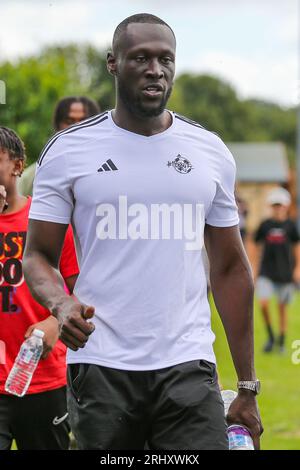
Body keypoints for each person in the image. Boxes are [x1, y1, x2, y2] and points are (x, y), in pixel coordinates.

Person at [23, 13, 263, 450]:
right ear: (113, 64)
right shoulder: (68, 151)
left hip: (188, 364)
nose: (155, 69)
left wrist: (247, 384)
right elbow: (38, 254)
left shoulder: (210, 151)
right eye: (140, 58)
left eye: (165, 59)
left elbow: (230, 268)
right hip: (101, 364)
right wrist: (60, 303)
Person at [0, 127, 79, 450]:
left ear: (18, 166)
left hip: (44, 379)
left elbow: (82, 289)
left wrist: (55, 321)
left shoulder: (46, 220)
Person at [18, 96, 100, 197]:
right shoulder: (35, 175)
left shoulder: (108, 170)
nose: (76, 127)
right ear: (57, 126)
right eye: (69, 121)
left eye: (84, 121)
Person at [254, 187, 300, 353]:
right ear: (270, 206)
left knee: (282, 308)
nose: (278, 208)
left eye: (280, 205)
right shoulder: (265, 225)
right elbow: (255, 245)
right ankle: (270, 337)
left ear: (286, 206)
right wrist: (253, 267)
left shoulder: (290, 226)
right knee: (263, 304)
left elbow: (297, 247)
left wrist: (298, 269)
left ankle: (280, 342)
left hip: (285, 273)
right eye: (275, 205)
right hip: (266, 272)